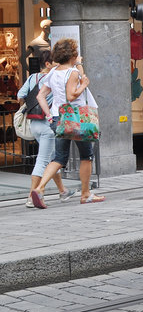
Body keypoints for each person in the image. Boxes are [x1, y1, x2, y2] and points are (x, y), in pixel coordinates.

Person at [30, 38, 104, 207]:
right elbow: (71, 95)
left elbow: (40, 96)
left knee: (59, 158)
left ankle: (39, 188)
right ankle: (85, 194)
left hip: (58, 117)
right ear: (72, 55)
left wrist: (49, 116)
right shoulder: (73, 73)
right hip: (78, 118)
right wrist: (83, 85)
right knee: (87, 156)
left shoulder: (54, 72)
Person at [19, 49, 70, 207]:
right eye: (55, 61)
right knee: (43, 160)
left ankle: (63, 191)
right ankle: (31, 196)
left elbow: (20, 96)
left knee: (53, 158)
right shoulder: (54, 77)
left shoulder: (32, 78)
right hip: (48, 124)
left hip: (34, 124)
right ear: (48, 63)